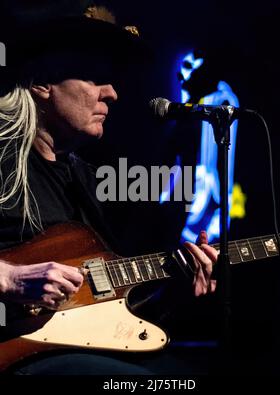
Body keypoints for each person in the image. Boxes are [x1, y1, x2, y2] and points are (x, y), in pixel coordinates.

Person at [0, 5, 218, 375]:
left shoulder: (85, 182)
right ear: (43, 84)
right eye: (95, 78)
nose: (113, 94)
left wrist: (175, 287)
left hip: (65, 350)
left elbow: (106, 303)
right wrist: (9, 278)